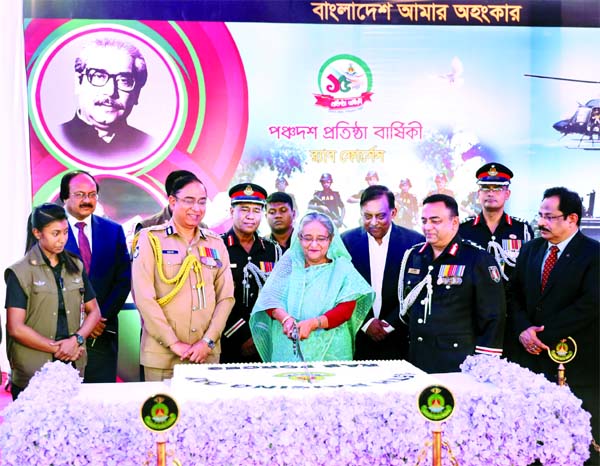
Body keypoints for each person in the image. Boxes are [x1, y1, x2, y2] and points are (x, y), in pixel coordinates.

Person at [507, 187, 599, 462]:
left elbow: (591, 304)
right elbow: (513, 295)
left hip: (575, 364)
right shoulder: (531, 250)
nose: (541, 223)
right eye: (540, 215)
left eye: (550, 217)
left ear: (572, 219)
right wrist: (523, 329)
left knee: (580, 445)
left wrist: (543, 335)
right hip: (531, 362)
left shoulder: (594, 254)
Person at [132, 173, 234, 381]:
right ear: (172, 201)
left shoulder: (215, 243)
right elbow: (144, 298)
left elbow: (226, 298)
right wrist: (173, 343)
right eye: (189, 201)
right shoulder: (150, 239)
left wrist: (207, 342)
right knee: (163, 413)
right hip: (162, 357)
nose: (196, 208)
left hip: (205, 356)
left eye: (202, 202)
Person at [398, 194, 506, 373]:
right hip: (418, 358)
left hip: (459, 363)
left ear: (454, 222)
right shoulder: (414, 256)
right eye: (424, 221)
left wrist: (484, 364)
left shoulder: (477, 259)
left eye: (435, 221)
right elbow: (407, 305)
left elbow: (493, 316)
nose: (427, 227)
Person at [5, 204, 101, 399]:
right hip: (33, 372)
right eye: (55, 233)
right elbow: (15, 327)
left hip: (73, 366)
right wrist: (57, 347)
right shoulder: (21, 272)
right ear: (37, 233)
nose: (62, 239)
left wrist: (77, 340)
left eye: (65, 232)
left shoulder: (75, 265)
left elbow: (95, 312)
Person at [250, 212, 375, 362]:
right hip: (288, 348)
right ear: (299, 238)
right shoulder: (289, 263)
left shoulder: (342, 267)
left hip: (331, 351)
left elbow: (345, 310)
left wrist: (314, 323)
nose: (314, 244)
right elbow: (269, 299)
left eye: (321, 239)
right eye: (307, 238)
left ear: (331, 239)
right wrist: (285, 320)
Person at [60, 171, 131, 383]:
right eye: (80, 194)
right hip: (63, 336)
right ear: (65, 197)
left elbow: (123, 279)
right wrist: (81, 323)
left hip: (102, 332)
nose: (87, 200)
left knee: (101, 402)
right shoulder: (51, 232)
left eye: (92, 194)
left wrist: (98, 318)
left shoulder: (113, 231)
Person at [341, 185, 424, 361]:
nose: (373, 222)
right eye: (367, 216)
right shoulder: (346, 241)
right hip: (357, 338)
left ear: (393, 213)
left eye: (380, 216)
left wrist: (391, 323)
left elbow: (418, 289)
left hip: (401, 338)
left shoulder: (414, 242)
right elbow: (342, 288)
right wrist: (366, 322)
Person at [58, 37, 153, 160]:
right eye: (99, 76)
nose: (110, 91)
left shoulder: (147, 146)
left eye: (123, 81)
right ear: (78, 82)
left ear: (137, 93)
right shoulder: (57, 137)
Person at [221, 183, 281, 363]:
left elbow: (278, 296)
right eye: (244, 209)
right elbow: (213, 298)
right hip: (227, 340)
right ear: (232, 212)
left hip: (264, 340)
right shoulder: (218, 246)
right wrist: (242, 335)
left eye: (256, 210)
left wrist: (261, 334)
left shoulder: (273, 250)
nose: (250, 216)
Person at [459, 162, 533, 283]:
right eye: (485, 187)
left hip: (510, 299)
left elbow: (528, 271)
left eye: (497, 188)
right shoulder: (463, 229)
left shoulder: (522, 229)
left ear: (507, 194)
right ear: (479, 194)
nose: (490, 193)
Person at [135, 170, 200, 232]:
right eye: (188, 200)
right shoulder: (146, 228)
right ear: (172, 200)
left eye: (201, 201)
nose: (196, 208)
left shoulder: (201, 227)